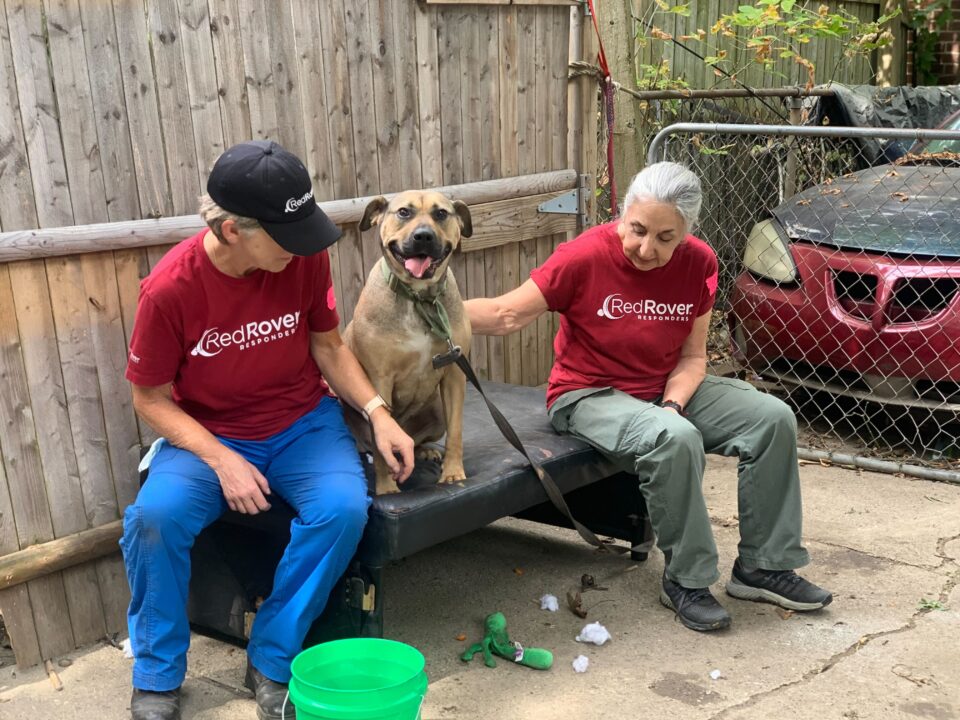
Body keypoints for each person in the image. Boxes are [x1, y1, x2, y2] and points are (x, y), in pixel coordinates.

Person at [464, 161, 832, 633]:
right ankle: (685, 580)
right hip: (587, 393)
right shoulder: (584, 256)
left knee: (771, 417)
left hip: (663, 385)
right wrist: (427, 308)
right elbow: (504, 314)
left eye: (664, 238)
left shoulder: (700, 262)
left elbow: (694, 357)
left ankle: (763, 566)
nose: (645, 248)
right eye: (637, 230)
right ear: (622, 215)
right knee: (673, 438)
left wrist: (674, 403)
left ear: (686, 233)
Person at [121, 140, 414, 720]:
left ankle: (272, 657)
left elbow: (328, 346)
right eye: (289, 232)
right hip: (209, 433)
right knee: (155, 518)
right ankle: (156, 675)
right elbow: (148, 399)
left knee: (342, 510)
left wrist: (379, 414)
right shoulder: (170, 289)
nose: (304, 245)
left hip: (302, 422)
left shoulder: (302, 258)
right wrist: (222, 460)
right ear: (233, 230)